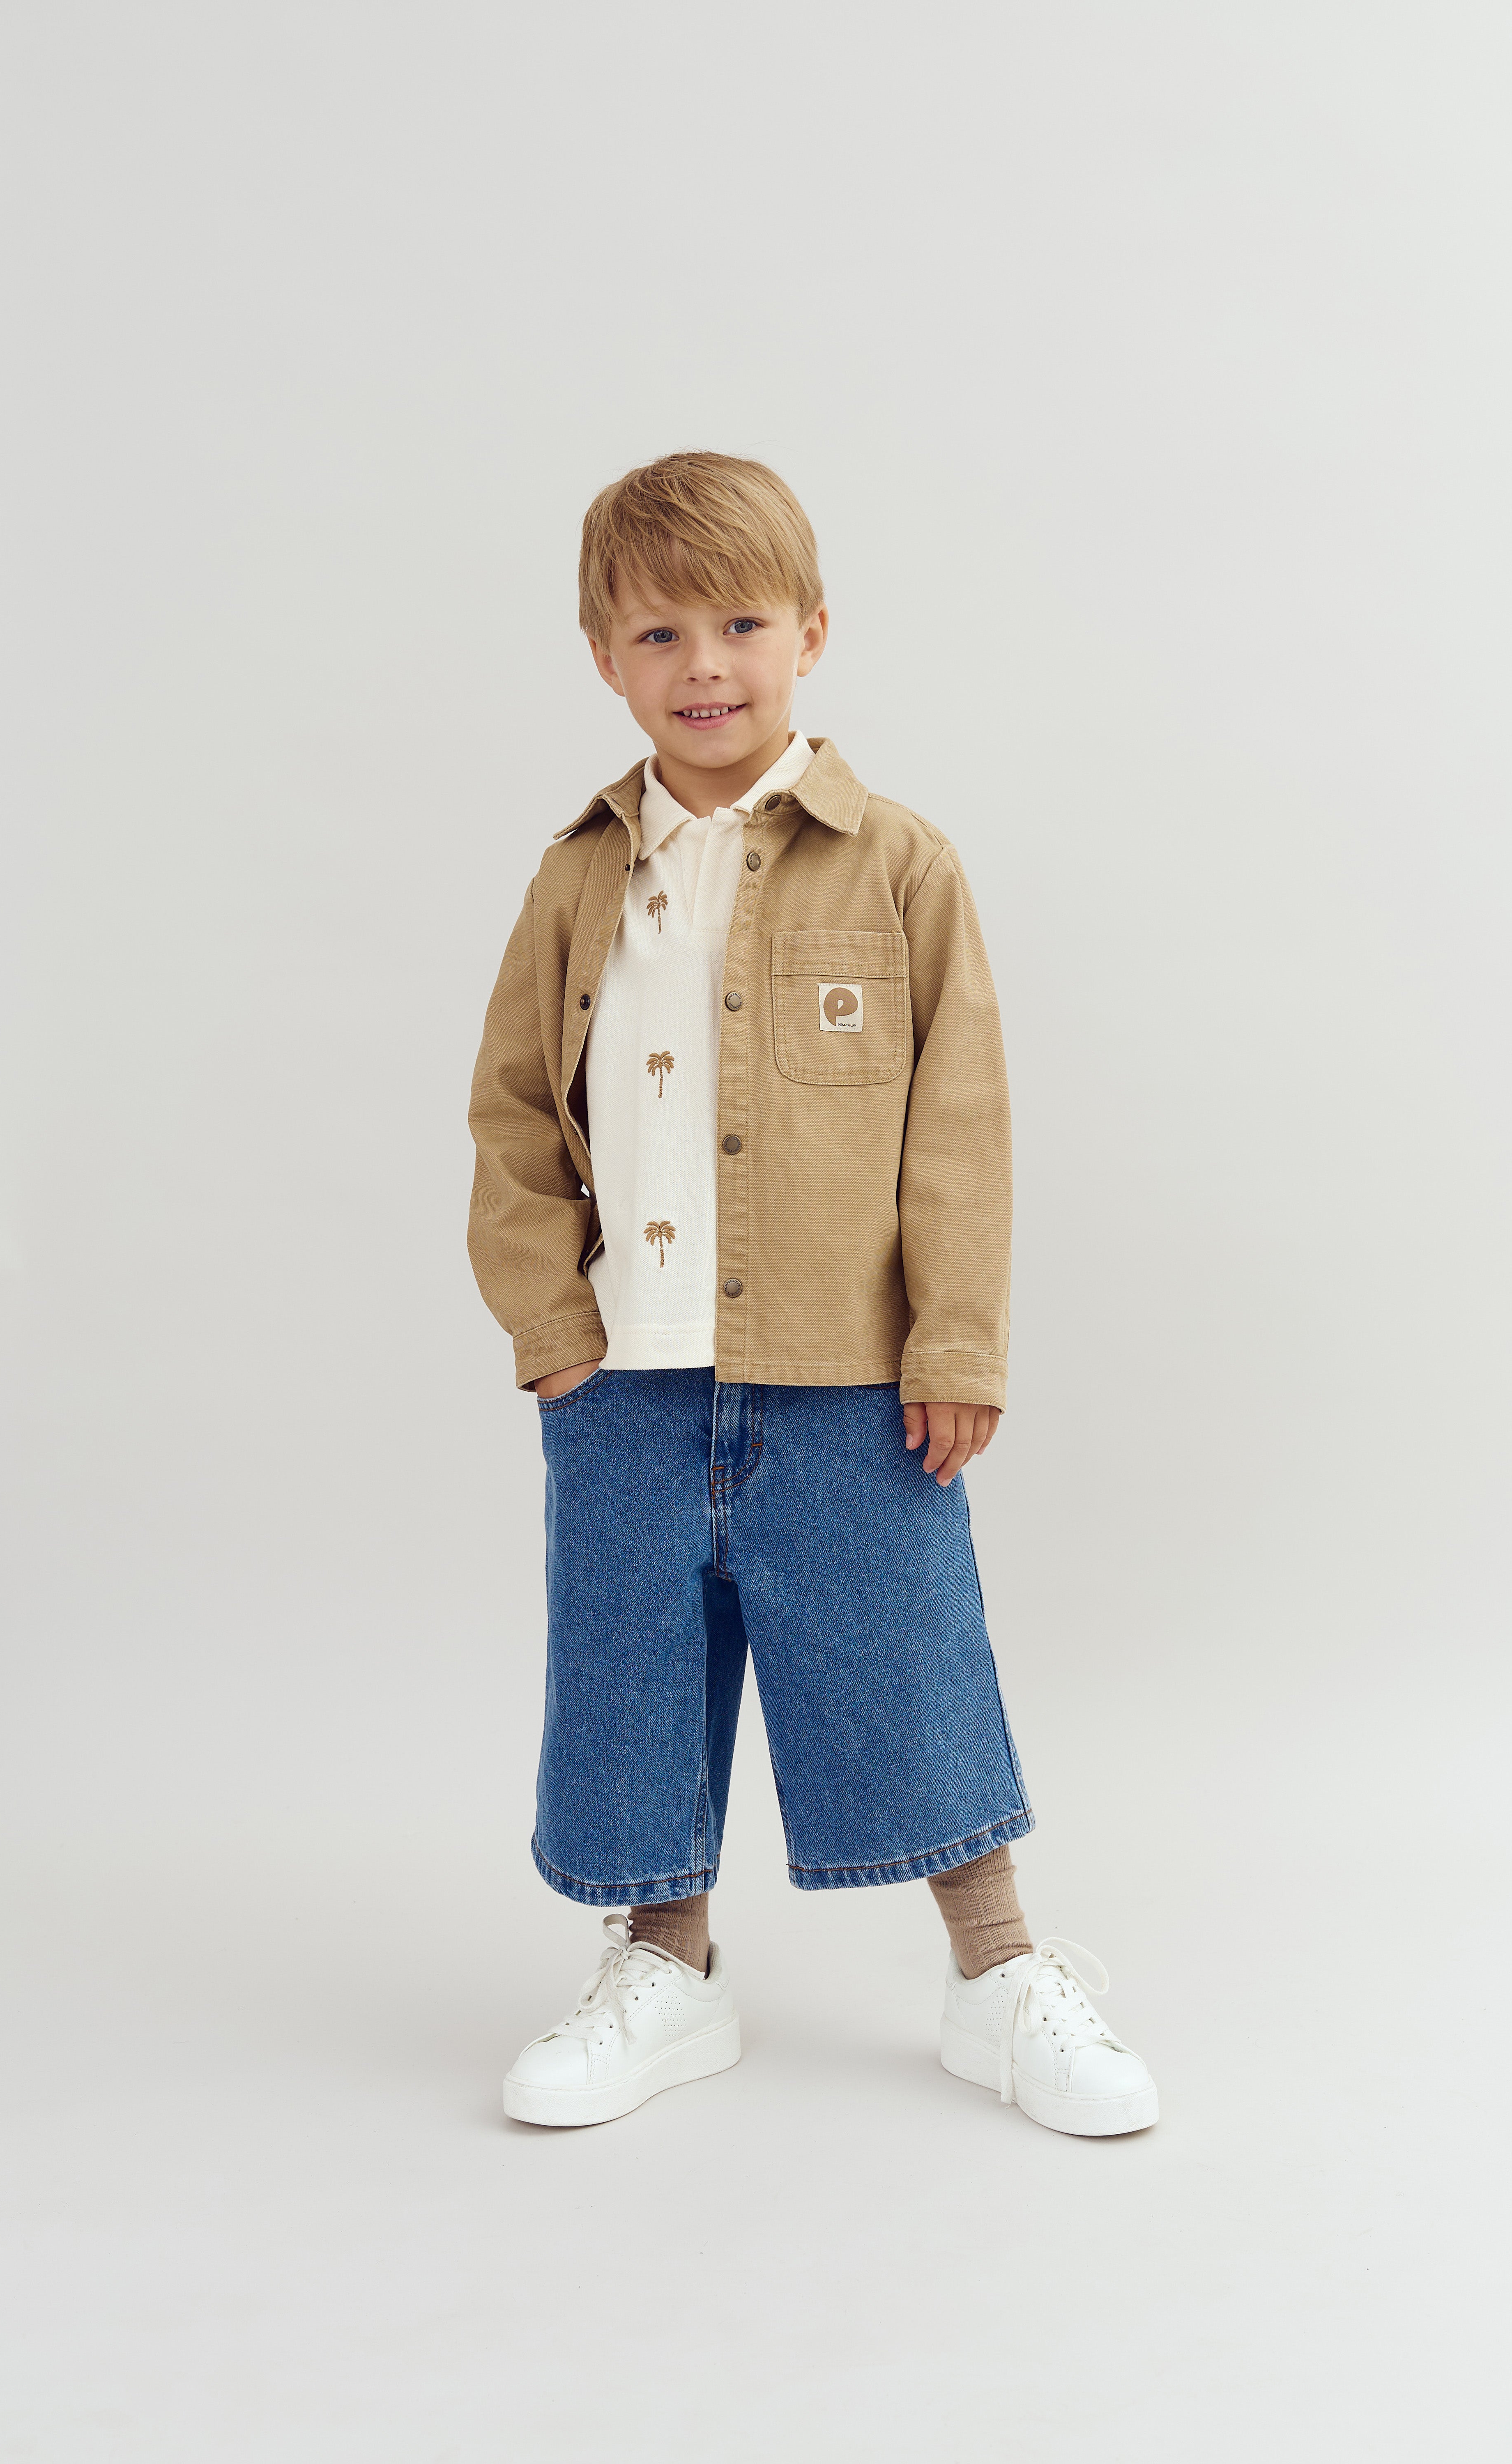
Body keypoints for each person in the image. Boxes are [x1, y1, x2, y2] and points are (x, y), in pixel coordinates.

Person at [467, 451, 1157, 2137]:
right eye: (655, 633)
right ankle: (664, 1968)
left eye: (739, 622)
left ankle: (997, 1974)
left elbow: (959, 1124)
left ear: (811, 635)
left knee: (898, 1656)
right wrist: (547, 1325)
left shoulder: (898, 865)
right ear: (601, 658)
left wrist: (955, 1340)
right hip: (626, 1374)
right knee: (630, 1672)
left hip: (847, 1373)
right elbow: (508, 1110)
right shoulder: (577, 876)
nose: (702, 664)